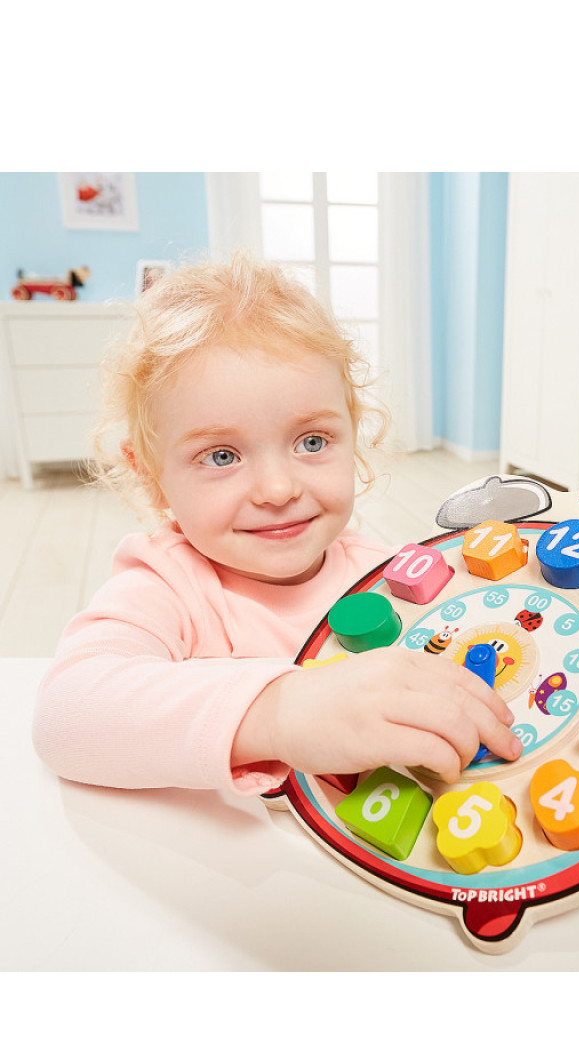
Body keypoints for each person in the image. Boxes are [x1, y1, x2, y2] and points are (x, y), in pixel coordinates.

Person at [32, 251, 522, 797]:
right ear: (150, 475)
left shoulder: (386, 576)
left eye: (312, 442)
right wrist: (280, 711)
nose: (278, 489)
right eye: (221, 456)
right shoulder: (166, 585)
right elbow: (66, 714)